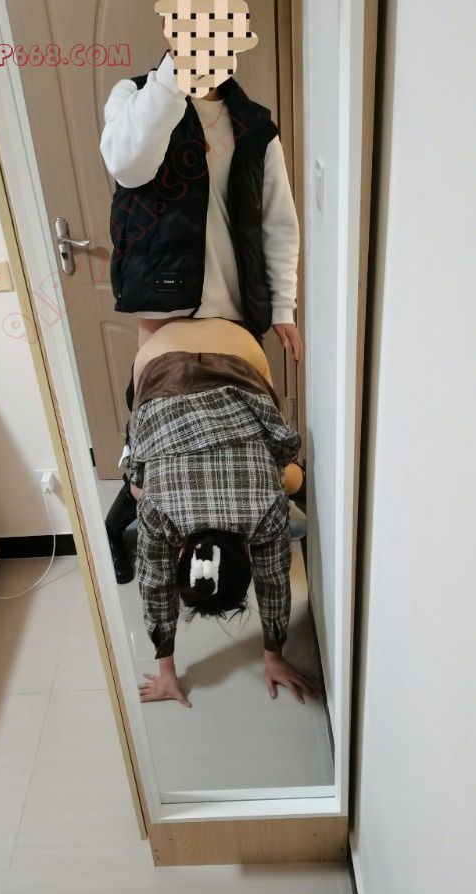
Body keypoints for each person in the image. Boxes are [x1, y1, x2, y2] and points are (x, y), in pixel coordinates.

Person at [110, 317, 320, 708]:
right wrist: (273, 657)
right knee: (141, 485)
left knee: (288, 477)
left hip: (239, 349)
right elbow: (155, 586)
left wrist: (273, 654)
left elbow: (274, 581)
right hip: (159, 356)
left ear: (247, 556)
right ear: (179, 554)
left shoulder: (266, 511)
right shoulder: (159, 512)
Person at [100, 41, 302, 357]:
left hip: (238, 308)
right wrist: (175, 73)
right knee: (163, 389)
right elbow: (127, 168)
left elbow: (277, 221)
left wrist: (283, 305)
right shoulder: (134, 96)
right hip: (163, 307)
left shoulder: (254, 124)